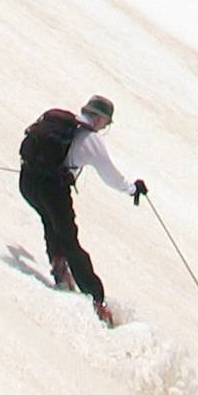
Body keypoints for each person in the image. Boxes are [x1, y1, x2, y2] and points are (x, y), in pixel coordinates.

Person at [18, 95, 148, 324]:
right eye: (106, 123)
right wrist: (131, 189)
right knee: (70, 242)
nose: (104, 127)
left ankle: (59, 267)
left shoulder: (60, 122)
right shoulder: (91, 140)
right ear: (99, 118)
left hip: (27, 180)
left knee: (50, 222)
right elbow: (110, 175)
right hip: (53, 190)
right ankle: (96, 299)